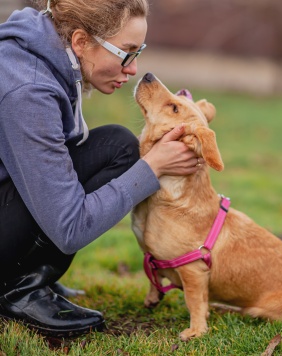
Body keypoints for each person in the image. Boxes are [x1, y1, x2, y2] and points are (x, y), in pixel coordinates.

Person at [0, 0, 202, 336]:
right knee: (126, 158)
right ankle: (16, 290)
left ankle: (31, 276)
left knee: (118, 148)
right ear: (80, 41)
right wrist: (151, 168)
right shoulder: (29, 90)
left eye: (139, 51)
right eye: (126, 51)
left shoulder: (44, 50)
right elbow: (70, 228)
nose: (134, 69)